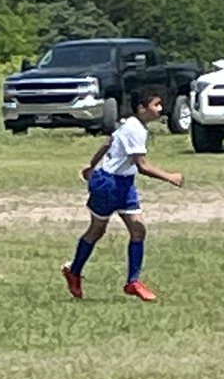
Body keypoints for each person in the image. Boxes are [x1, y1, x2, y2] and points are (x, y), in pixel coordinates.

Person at [62, 90, 183, 302]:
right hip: (109, 184)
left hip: (124, 183)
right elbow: (142, 166)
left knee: (138, 229)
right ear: (142, 108)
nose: (160, 109)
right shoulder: (135, 129)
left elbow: (108, 143)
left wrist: (92, 165)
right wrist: (169, 177)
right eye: (156, 105)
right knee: (97, 230)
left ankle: (133, 282)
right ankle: (74, 271)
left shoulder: (129, 125)